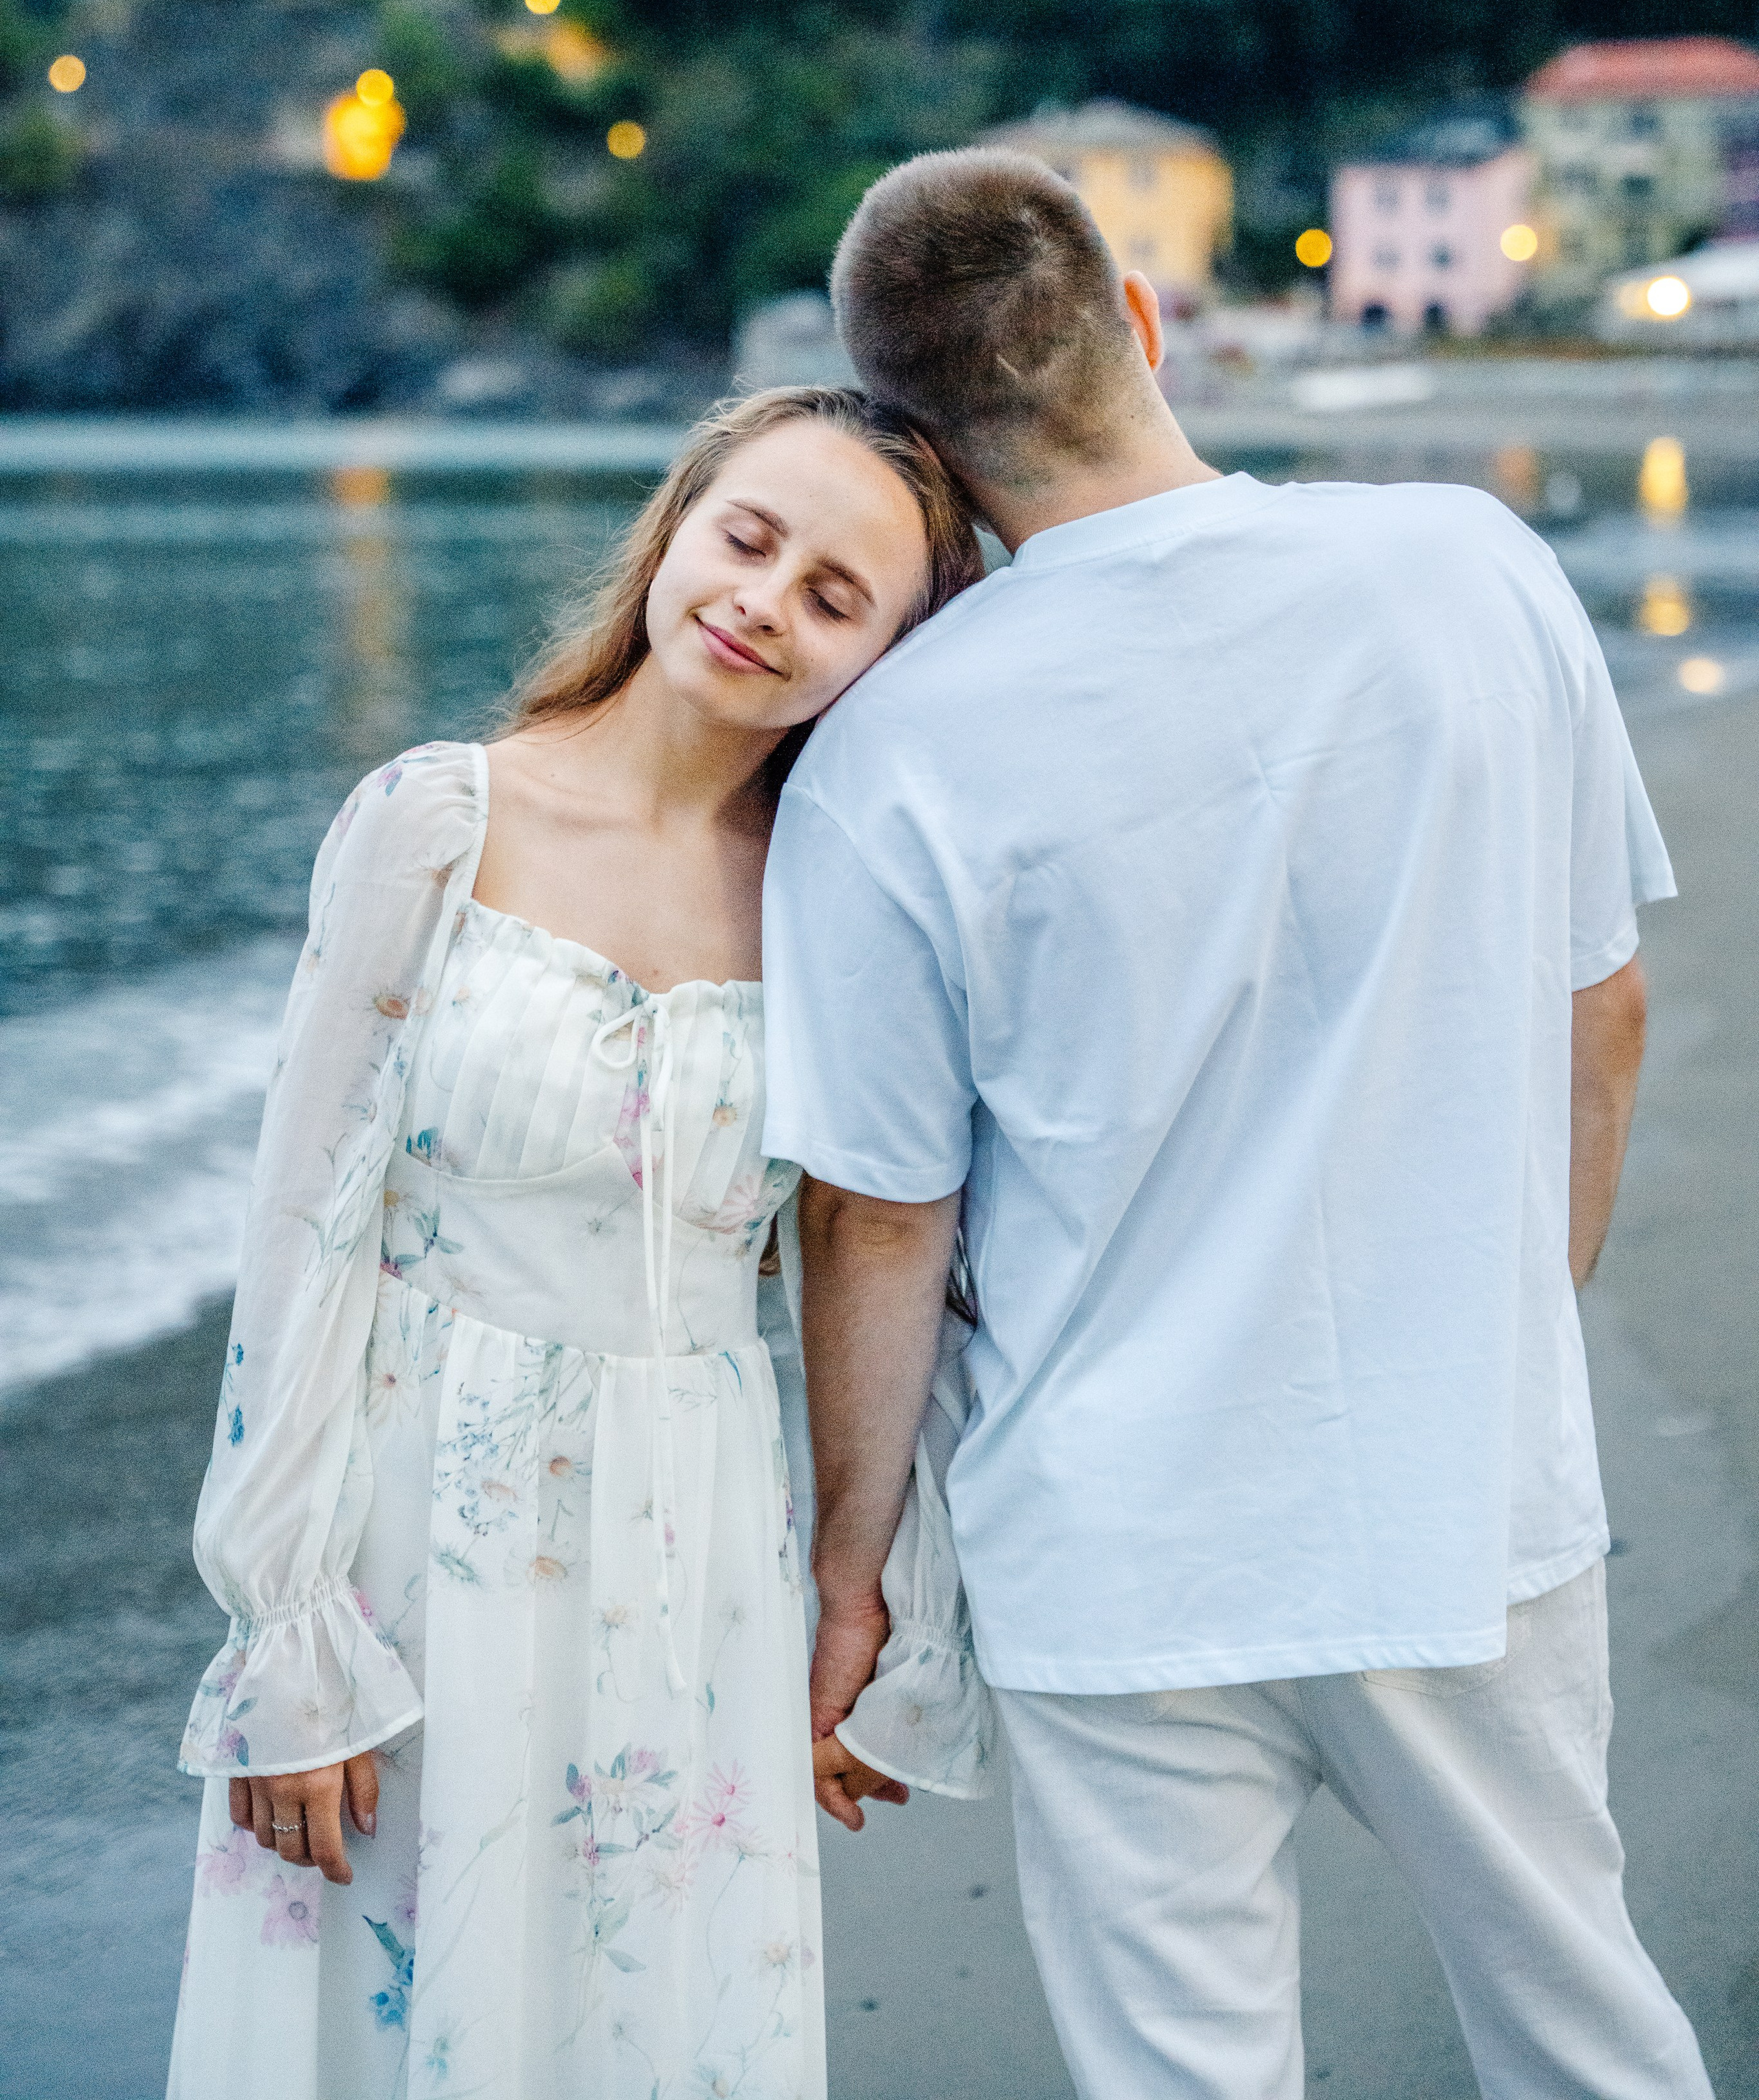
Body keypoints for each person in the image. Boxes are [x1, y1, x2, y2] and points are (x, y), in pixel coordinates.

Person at [761, 150, 1714, 2099]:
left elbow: (877, 1211)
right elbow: (1596, 1005)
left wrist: (849, 1572)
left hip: (1111, 1546)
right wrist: (1506, 1329)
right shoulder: (1470, 565)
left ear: (916, 438)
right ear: (1141, 316)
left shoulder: (886, 754)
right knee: (1583, 2029)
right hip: (1458, 1491)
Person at [168, 386, 986, 2100]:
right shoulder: (437, 819)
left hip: (691, 1536)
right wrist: (286, 1628)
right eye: (749, 538)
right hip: (405, 1526)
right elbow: (306, 1226)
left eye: (838, 596)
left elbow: (868, 1241)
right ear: (677, 526)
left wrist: (864, 1578)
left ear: (883, 660)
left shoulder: (840, 900)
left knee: (651, 2023)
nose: (766, 600)